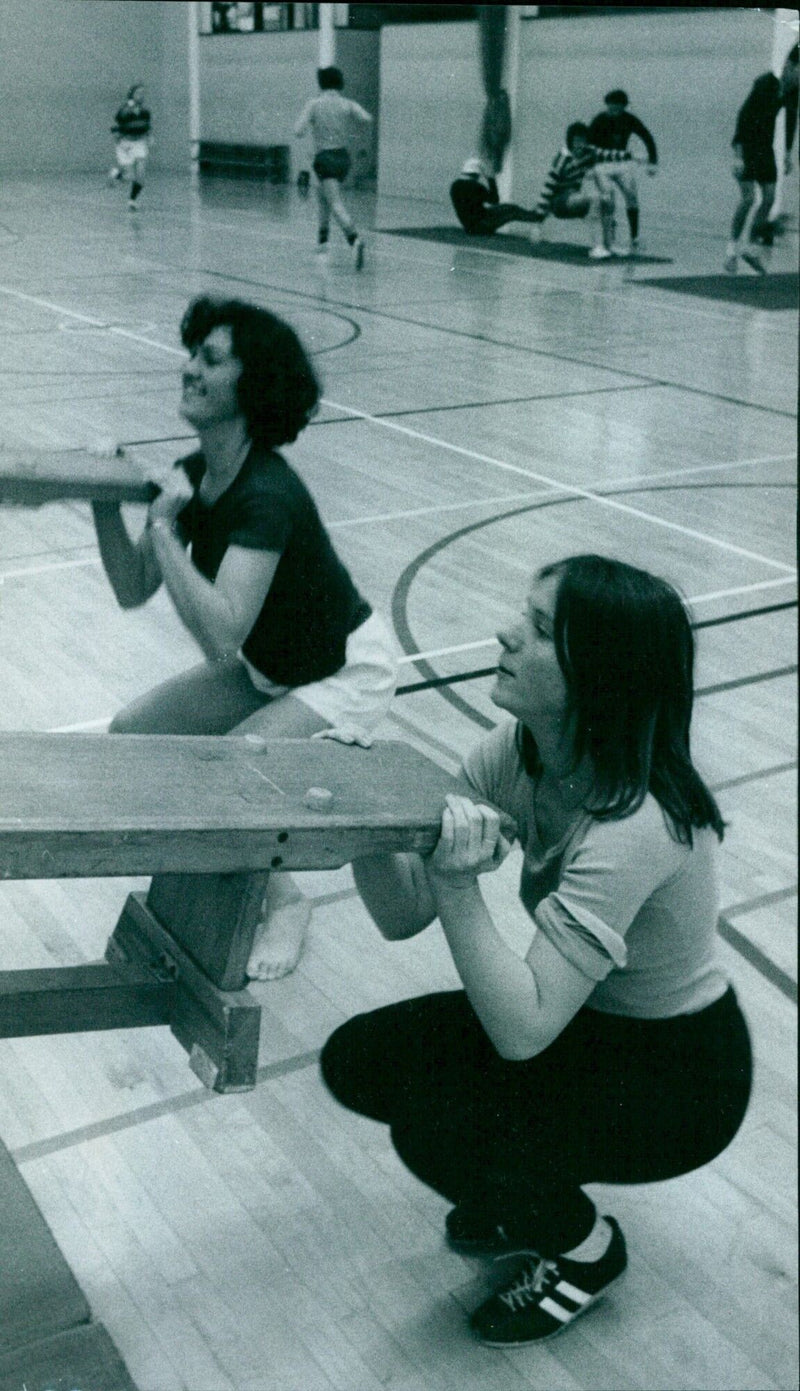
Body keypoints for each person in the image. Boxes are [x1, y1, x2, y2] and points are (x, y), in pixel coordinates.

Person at [321, 554, 752, 1348]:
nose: (504, 633)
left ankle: (585, 1249)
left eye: (541, 629)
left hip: (682, 1078)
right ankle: (526, 1185)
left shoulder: (638, 821)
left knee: (437, 1125)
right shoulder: (516, 752)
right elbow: (401, 910)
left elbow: (522, 1029)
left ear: (600, 674)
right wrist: (366, 814)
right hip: (588, 1028)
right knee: (362, 1059)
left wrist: (459, 885)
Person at [91, 296, 397, 980]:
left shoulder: (267, 495)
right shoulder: (198, 473)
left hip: (343, 671)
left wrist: (167, 526)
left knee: (232, 768)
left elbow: (222, 632)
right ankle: (242, 878)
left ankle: (285, 903)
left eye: (211, 359)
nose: (189, 369)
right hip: (271, 664)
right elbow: (131, 585)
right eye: (193, 354)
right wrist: (105, 500)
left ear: (250, 387)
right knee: (131, 733)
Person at [294, 67, 372, 267]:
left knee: (334, 202)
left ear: (321, 83)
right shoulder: (347, 104)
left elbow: (298, 131)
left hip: (325, 157)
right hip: (343, 157)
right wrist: (357, 139)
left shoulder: (314, 104)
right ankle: (323, 240)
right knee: (323, 196)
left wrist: (314, 123)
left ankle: (354, 239)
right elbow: (366, 118)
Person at [528, 122, 639, 260]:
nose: (580, 146)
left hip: (575, 197)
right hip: (559, 203)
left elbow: (608, 154)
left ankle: (609, 244)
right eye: (576, 142)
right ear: (570, 142)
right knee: (594, 198)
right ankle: (597, 247)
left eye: (583, 142)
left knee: (608, 198)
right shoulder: (561, 160)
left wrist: (631, 156)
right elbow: (547, 190)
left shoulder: (589, 152)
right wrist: (537, 222)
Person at [725, 71, 784, 273]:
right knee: (748, 199)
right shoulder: (749, 108)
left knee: (768, 198)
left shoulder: (780, 98)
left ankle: (751, 247)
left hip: (765, 153)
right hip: (747, 152)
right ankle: (731, 252)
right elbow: (738, 136)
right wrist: (738, 159)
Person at [587, 90, 658, 251]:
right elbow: (589, 146)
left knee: (632, 196)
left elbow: (647, 137)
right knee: (608, 198)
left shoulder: (629, 120)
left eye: (617, 106)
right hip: (601, 165)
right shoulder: (599, 120)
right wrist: (589, 168)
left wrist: (653, 161)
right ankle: (609, 235)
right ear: (607, 105)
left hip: (621, 164)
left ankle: (634, 237)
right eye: (611, 106)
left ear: (624, 107)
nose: (613, 109)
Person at [449, 156, 539, 235]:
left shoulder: (455, 186)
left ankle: (533, 215)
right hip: (482, 225)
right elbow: (495, 200)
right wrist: (491, 179)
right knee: (512, 211)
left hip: (468, 226)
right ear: (476, 173)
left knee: (509, 208)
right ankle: (535, 216)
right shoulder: (476, 187)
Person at [108, 84, 151, 211]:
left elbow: (147, 127)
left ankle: (132, 201)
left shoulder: (145, 111)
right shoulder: (125, 110)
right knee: (130, 177)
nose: (141, 95)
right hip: (125, 144)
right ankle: (115, 174)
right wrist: (117, 137)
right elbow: (115, 127)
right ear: (132, 94)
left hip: (139, 144)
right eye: (138, 93)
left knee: (141, 178)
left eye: (143, 93)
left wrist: (149, 137)